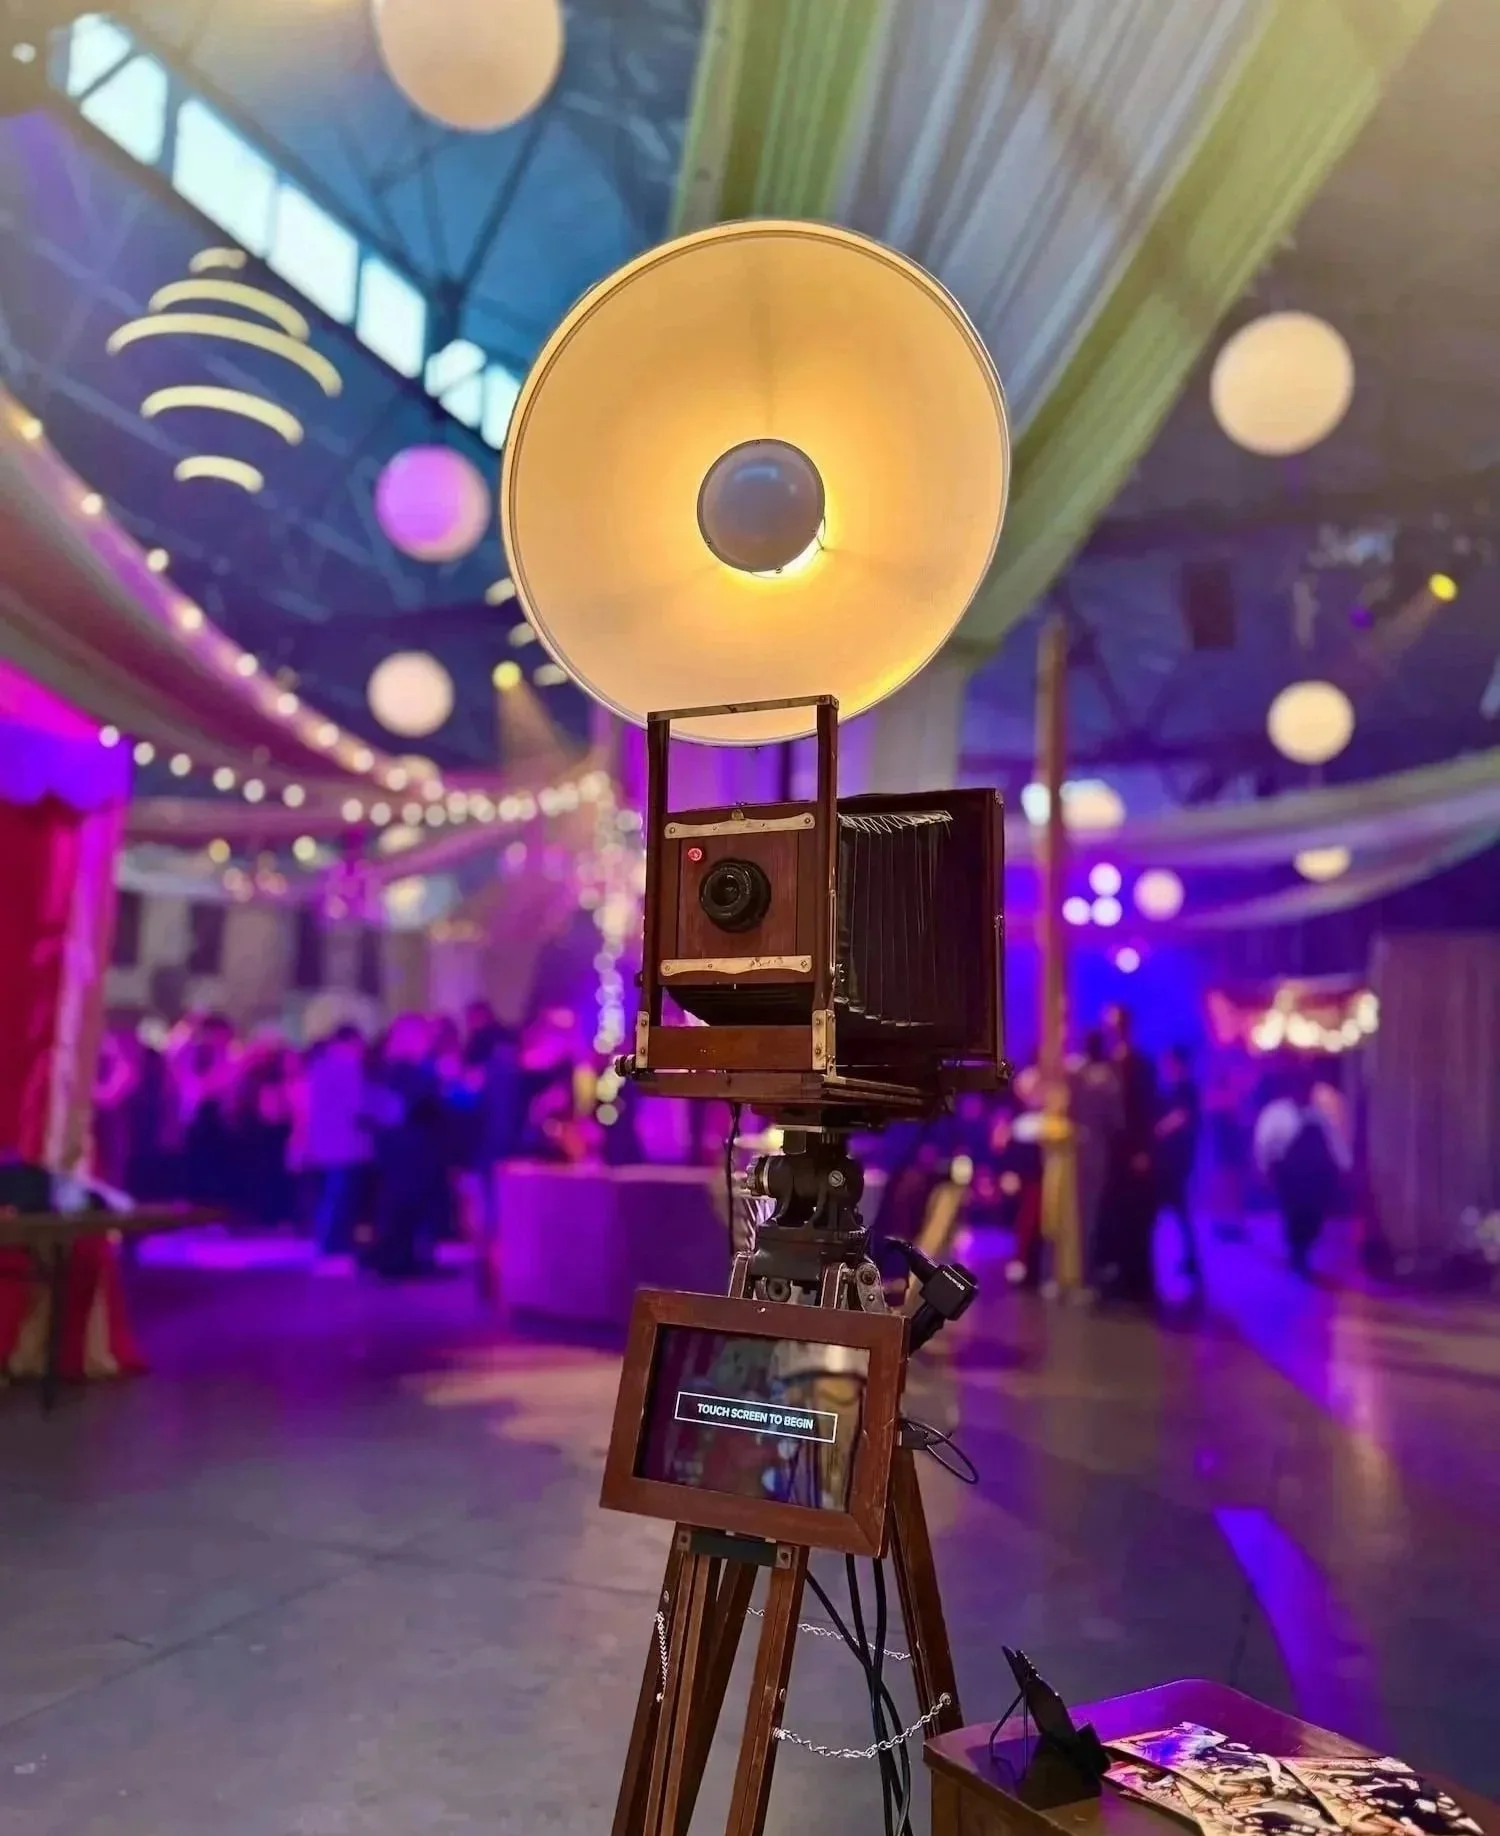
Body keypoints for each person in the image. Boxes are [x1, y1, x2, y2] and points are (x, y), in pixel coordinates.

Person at [367, 1014, 450, 1278]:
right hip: (410, 1152)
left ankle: (403, 1260)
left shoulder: (387, 1070)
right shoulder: (406, 1072)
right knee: (406, 1208)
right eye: (425, 1036)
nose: (429, 1042)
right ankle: (399, 1262)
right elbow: (410, 1106)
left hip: (402, 1151)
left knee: (404, 1207)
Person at [1254, 1065, 1349, 1277]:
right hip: (1287, 1174)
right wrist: (1264, 1169)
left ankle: (1304, 1244)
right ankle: (1297, 1251)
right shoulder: (1276, 1113)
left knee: (1313, 1215)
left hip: (1314, 1176)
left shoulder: (1319, 1115)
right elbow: (1264, 1144)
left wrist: (1343, 1167)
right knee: (1293, 1213)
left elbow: (1335, 1142)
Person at [1098, 1004, 1159, 1303]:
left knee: (1137, 1216)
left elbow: (1147, 1110)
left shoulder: (1140, 1065)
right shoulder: (1109, 1064)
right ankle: (1120, 1273)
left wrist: (1144, 1149)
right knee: (1117, 1215)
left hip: (1133, 1151)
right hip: (1114, 1152)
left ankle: (1138, 1278)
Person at [300, 1025, 373, 1270]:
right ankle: (333, 1243)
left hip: (325, 1142)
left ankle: (328, 1242)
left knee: (331, 1195)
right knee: (340, 1196)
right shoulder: (348, 1066)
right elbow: (359, 1104)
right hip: (346, 1142)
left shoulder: (320, 1065)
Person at [1069, 1030, 1123, 1289]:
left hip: (1071, 1148)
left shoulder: (1073, 1073)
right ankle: (1086, 1271)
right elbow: (1116, 1120)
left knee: (1075, 1212)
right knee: (1091, 1212)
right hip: (1095, 1150)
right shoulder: (1106, 1078)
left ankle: (1074, 1269)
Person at [1155, 1044, 1203, 1289]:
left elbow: (1181, 1118)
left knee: (1179, 1211)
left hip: (1178, 1160)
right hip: (1173, 1160)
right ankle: (1192, 1258)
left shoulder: (1186, 1090)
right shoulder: (1174, 1090)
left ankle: (1192, 1259)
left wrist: (1158, 1130)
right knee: (1180, 1213)